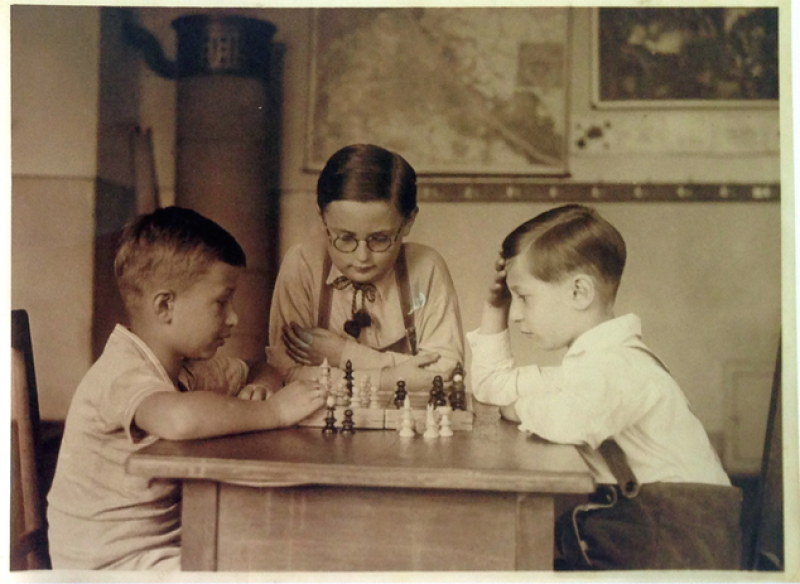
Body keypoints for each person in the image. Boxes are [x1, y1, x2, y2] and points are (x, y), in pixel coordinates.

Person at [46, 207, 325, 570]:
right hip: (107, 565)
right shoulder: (122, 371)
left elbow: (262, 366)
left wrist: (259, 386)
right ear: (165, 306)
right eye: (222, 301)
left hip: (161, 549)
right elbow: (179, 419)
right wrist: (274, 411)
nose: (234, 317)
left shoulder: (185, 367)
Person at [467, 204, 740, 570]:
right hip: (647, 530)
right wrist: (493, 308)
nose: (516, 314)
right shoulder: (588, 366)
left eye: (524, 298)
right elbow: (491, 387)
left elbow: (567, 420)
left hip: (683, 544)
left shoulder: (619, 366)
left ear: (579, 292)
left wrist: (518, 408)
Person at [268, 144, 464, 392]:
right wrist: (388, 378)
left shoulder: (426, 268)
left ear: (408, 222)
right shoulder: (303, 264)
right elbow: (284, 373)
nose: (362, 257)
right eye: (346, 238)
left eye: (380, 238)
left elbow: (445, 375)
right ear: (323, 220)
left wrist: (345, 355)